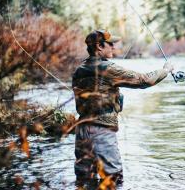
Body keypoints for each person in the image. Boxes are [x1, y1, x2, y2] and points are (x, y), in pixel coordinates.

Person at [72, 29, 173, 187]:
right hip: (102, 131)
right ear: (99, 46)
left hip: (82, 132)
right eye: (110, 44)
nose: (113, 47)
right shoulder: (108, 69)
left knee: (85, 181)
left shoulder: (79, 70)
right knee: (113, 181)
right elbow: (143, 80)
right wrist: (165, 70)